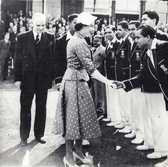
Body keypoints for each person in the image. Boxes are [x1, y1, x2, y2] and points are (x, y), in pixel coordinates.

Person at [52, 12, 115, 167]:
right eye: (90, 26)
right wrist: (108, 81)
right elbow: (91, 68)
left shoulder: (80, 39)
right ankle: (68, 156)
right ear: (83, 26)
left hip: (79, 82)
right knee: (72, 120)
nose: (92, 29)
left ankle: (78, 152)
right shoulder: (78, 42)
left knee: (80, 119)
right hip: (74, 83)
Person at [114, 25, 168, 159]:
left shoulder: (163, 47)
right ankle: (150, 143)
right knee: (147, 117)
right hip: (147, 89)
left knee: (158, 119)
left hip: (157, 91)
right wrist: (124, 84)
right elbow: (143, 74)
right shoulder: (147, 51)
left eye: (138, 37)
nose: (136, 39)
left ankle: (162, 148)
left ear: (148, 37)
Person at [14, 13, 55, 147]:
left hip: (43, 80)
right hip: (27, 79)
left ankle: (39, 135)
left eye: (43, 25)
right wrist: (17, 79)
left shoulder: (50, 37)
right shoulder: (22, 37)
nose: (41, 28)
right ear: (32, 24)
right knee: (25, 108)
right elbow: (18, 59)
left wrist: (51, 79)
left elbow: (51, 60)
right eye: (38, 25)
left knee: (41, 108)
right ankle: (24, 136)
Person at [125, 20, 145, 145]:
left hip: (139, 79)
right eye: (130, 29)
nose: (131, 31)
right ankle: (134, 129)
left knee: (138, 109)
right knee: (132, 107)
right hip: (132, 78)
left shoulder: (139, 44)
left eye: (134, 29)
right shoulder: (131, 43)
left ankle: (141, 133)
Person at [90, 35, 106, 114]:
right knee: (93, 90)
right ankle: (94, 105)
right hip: (92, 73)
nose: (95, 43)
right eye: (94, 41)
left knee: (99, 90)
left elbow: (104, 61)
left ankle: (101, 107)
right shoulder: (93, 50)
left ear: (101, 41)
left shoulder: (103, 50)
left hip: (99, 72)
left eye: (97, 41)